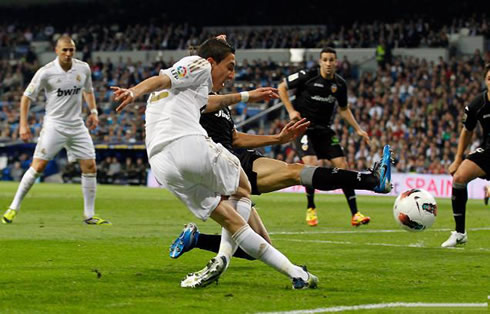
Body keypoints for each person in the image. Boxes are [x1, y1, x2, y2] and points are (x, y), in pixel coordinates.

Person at [112, 37, 318, 289]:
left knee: (231, 220)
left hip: (161, 166)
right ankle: (222, 258)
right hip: (185, 143)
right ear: (211, 62)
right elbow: (160, 80)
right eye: (230, 66)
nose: (231, 73)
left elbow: (213, 102)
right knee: (243, 187)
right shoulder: (197, 64)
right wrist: (134, 91)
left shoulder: (190, 89)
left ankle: (299, 274)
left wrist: (246, 96)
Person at [169, 97, 393, 260]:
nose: (231, 74)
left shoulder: (221, 104)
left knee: (260, 246)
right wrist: (247, 96)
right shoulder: (193, 96)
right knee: (295, 172)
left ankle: (195, 239)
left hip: (235, 160)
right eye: (228, 66)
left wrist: (278, 139)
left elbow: (235, 138)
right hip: (219, 166)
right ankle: (371, 181)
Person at [2, 35, 110, 225]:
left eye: (71, 50)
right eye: (64, 50)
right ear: (56, 51)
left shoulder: (83, 68)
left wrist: (93, 112)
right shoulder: (46, 72)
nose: (68, 53)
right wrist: (23, 125)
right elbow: (26, 98)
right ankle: (13, 208)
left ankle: (89, 215)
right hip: (55, 126)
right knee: (38, 167)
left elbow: (88, 90)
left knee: (90, 166)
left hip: (77, 126)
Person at [278, 47, 371, 227]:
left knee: (343, 166)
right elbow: (282, 87)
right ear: (320, 61)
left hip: (324, 131)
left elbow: (344, 110)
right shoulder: (308, 75)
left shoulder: (340, 84)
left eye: (331, 60)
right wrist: (291, 111)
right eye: (325, 60)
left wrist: (358, 129)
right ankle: (311, 208)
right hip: (303, 128)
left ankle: (355, 214)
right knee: (311, 163)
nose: (328, 63)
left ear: (336, 63)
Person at [442, 63, 490, 248]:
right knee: (460, 177)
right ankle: (460, 233)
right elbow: (467, 131)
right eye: (489, 78)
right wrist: (457, 158)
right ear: (485, 81)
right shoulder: (477, 105)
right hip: (488, 150)